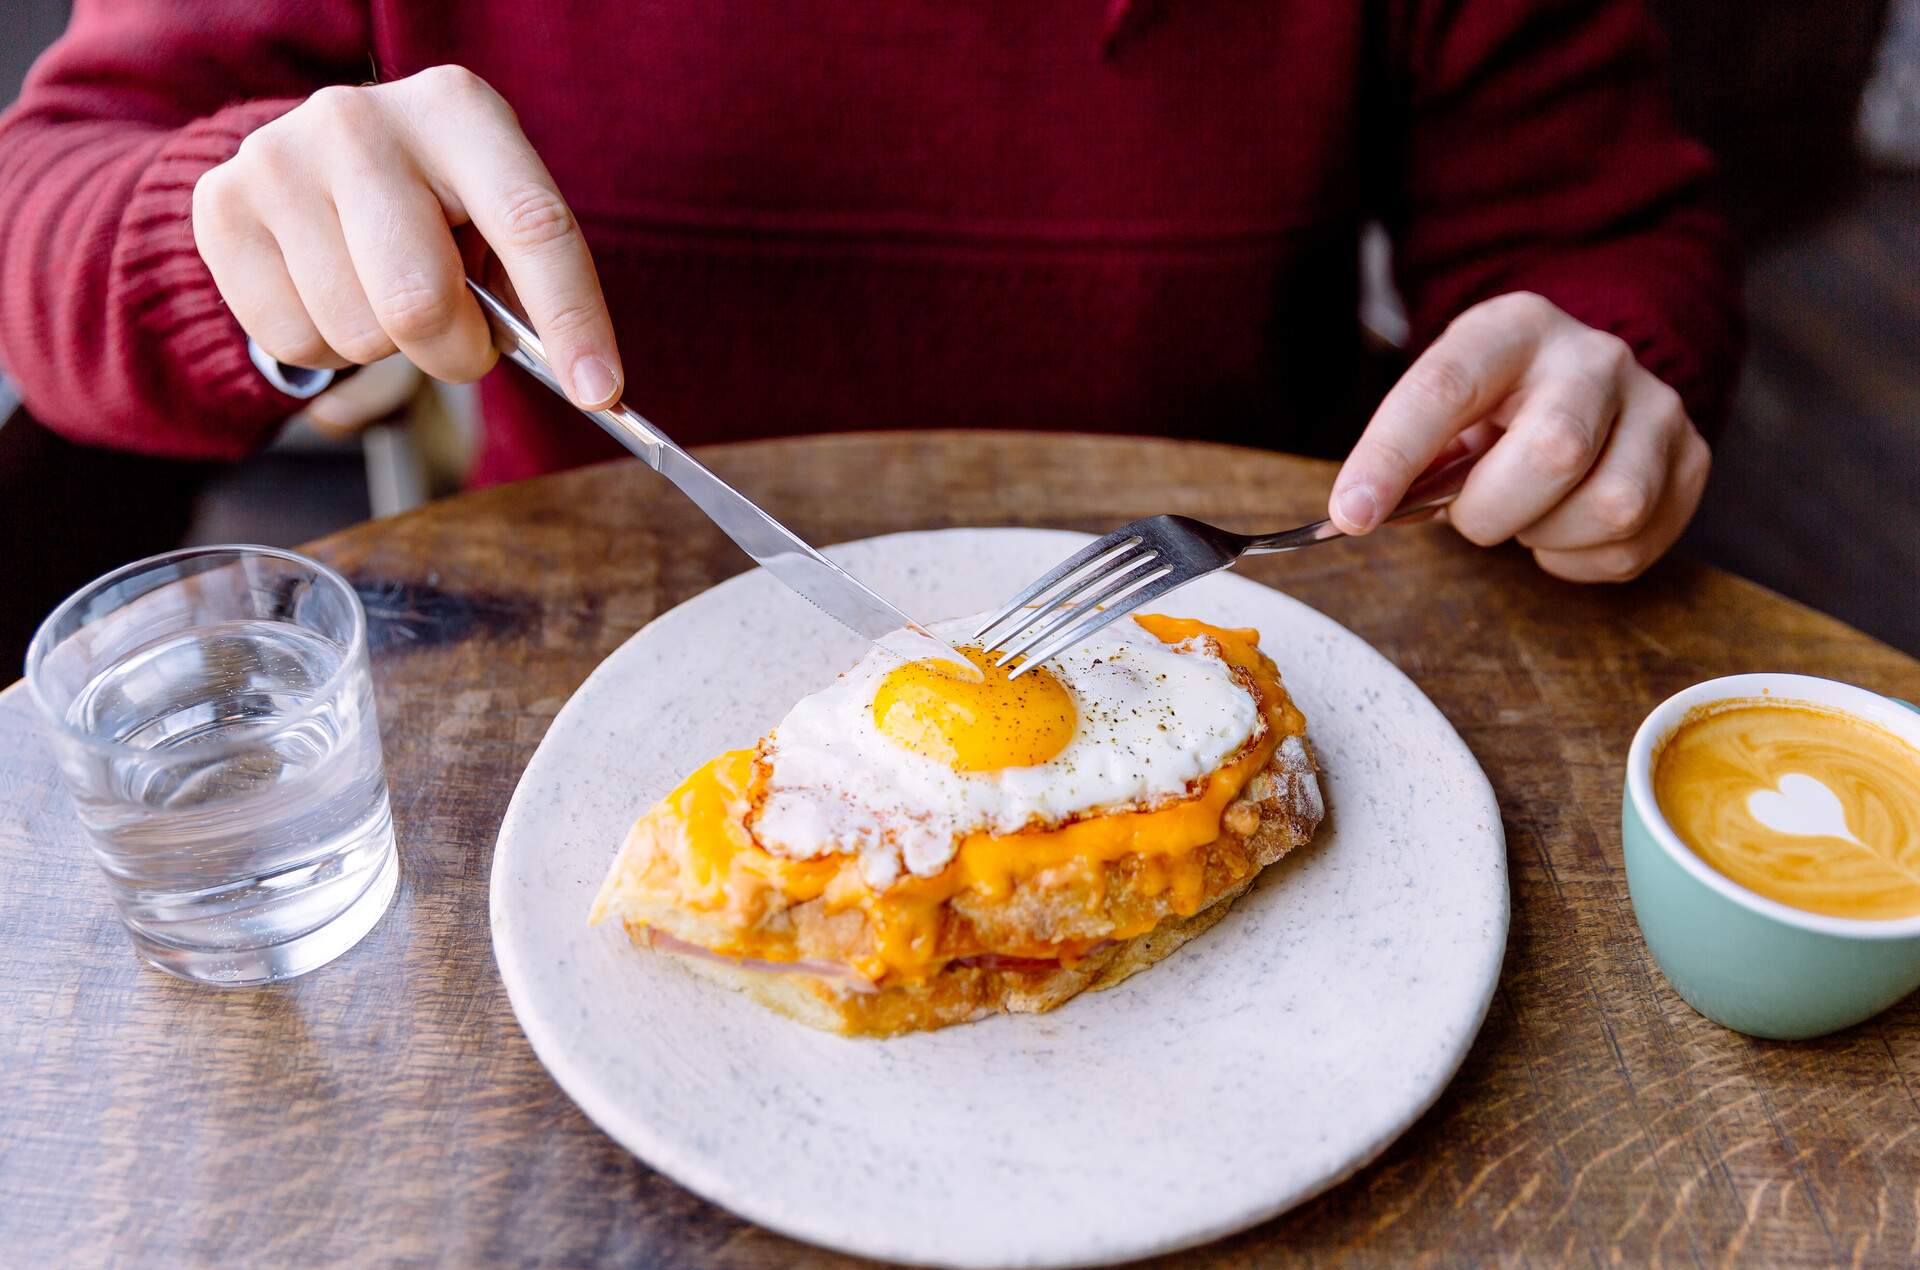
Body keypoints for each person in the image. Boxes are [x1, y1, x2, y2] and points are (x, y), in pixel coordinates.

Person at [0, 1, 1739, 582]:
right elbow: (45, 217)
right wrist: (245, 233)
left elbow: (1598, 237)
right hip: (596, 642)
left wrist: (1598, 380)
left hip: (1262, 613)